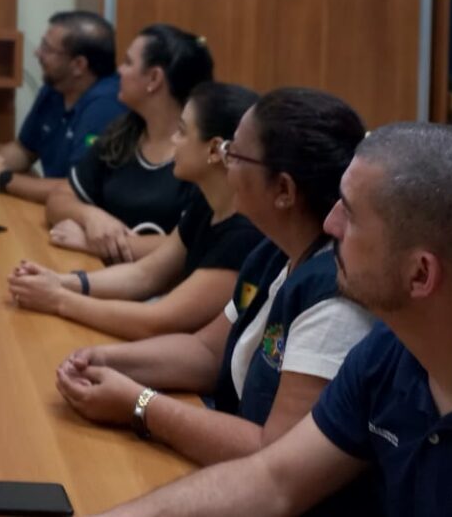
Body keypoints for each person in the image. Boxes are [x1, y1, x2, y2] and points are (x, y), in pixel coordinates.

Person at [92, 123, 452, 517]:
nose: (329, 225)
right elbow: (272, 481)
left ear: (420, 274)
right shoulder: (396, 351)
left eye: (349, 215)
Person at [53, 89, 376, 512]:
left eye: (235, 154)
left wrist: (140, 404)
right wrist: (105, 360)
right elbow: (206, 351)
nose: (223, 162)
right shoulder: (275, 251)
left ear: (283, 189)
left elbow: (273, 455)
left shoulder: (337, 303)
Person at [8, 82, 264, 340]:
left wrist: (58, 299)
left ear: (214, 149)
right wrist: (60, 281)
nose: (173, 140)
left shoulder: (245, 232)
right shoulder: (207, 204)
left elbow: (157, 321)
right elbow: (145, 275)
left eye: (182, 132)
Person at [45, 24, 213, 263]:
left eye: (128, 62)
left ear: (154, 78)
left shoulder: (201, 154)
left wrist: (94, 244)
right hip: (104, 277)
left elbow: (192, 243)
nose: (119, 71)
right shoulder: (123, 133)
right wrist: (91, 217)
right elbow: (58, 198)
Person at [0, 11, 125, 204]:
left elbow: (77, 189)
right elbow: (25, 150)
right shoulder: (56, 87)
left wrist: (2, 178)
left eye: (47, 48)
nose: (37, 53)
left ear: (78, 65)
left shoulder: (105, 107)